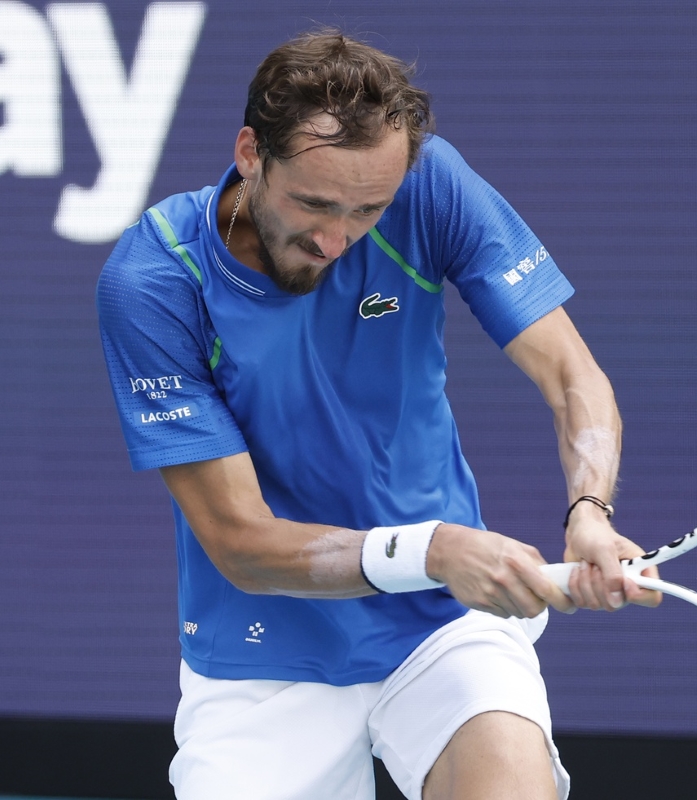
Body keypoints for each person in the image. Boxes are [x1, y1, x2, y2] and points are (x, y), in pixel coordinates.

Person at [96, 30, 658, 800]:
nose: (337, 238)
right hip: (264, 652)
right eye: (314, 204)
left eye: (368, 209)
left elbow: (572, 375)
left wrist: (590, 508)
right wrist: (432, 550)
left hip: (442, 624)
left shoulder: (432, 183)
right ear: (251, 152)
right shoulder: (156, 280)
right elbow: (240, 544)